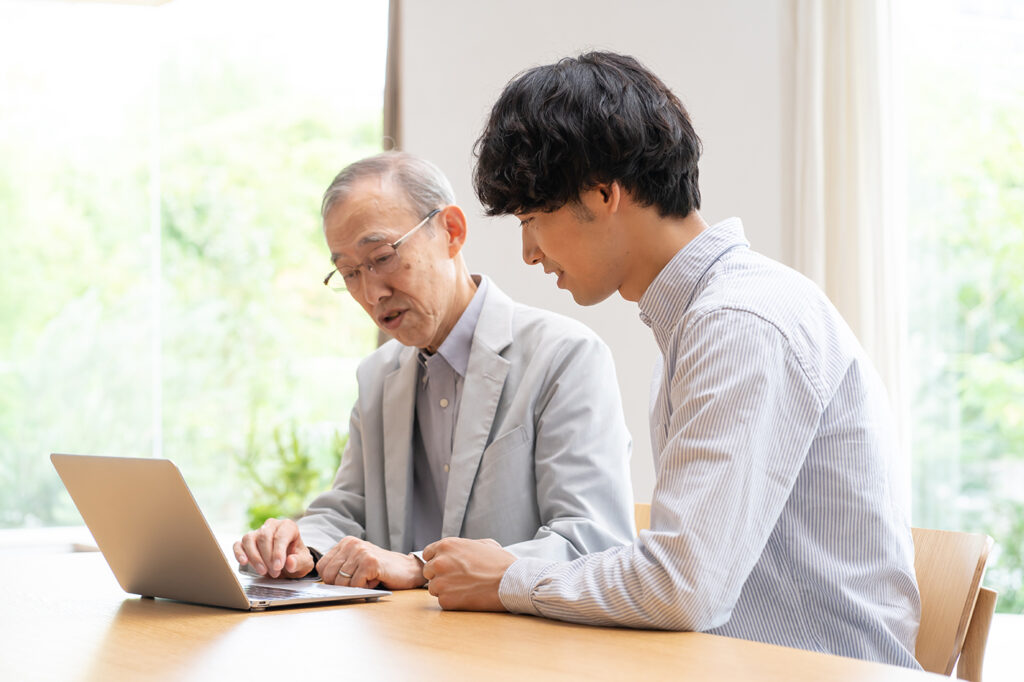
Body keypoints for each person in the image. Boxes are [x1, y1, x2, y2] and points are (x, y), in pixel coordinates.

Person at [420, 52, 922, 668]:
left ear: (604, 193)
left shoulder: (740, 322)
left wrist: (507, 579)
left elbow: (685, 588)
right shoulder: (704, 319)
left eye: (532, 219)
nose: (528, 253)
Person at [233, 151, 635, 591]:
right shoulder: (377, 376)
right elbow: (347, 511)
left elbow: (593, 544)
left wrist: (419, 564)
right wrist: (299, 548)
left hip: (521, 648)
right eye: (348, 272)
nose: (371, 292)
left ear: (452, 231)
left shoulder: (564, 356)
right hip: (404, 645)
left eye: (383, 257)